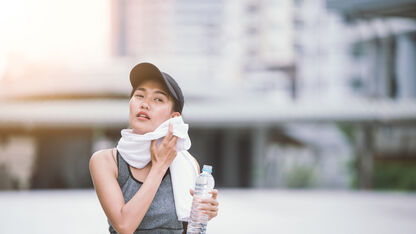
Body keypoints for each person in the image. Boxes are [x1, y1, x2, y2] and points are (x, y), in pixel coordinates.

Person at [89, 62, 219, 234]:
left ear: (174, 117)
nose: (144, 104)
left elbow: (189, 230)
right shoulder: (106, 161)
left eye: (158, 99)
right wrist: (159, 166)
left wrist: (202, 215)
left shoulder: (187, 163)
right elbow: (124, 226)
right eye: (139, 95)